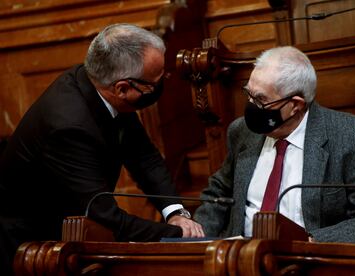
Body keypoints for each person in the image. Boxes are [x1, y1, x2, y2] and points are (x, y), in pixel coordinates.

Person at [0, 23, 204, 275]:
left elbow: (144, 158)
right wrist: (177, 234)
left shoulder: (99, 85)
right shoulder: (69, 126)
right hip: (30, 246)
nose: (162, 84)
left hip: (68, 227)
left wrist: (175, 213)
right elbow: (104, 215)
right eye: (155, 83)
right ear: (123, 88)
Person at [194, 46, 355, 243]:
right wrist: (195, 236)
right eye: (249, 94)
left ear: (295, 105)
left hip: (306, 260)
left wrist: (311, 242)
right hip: (238, 256)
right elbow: (218, 193)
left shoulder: (352, 136)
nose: (250, 106)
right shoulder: (241, 131)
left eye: (260, 99)